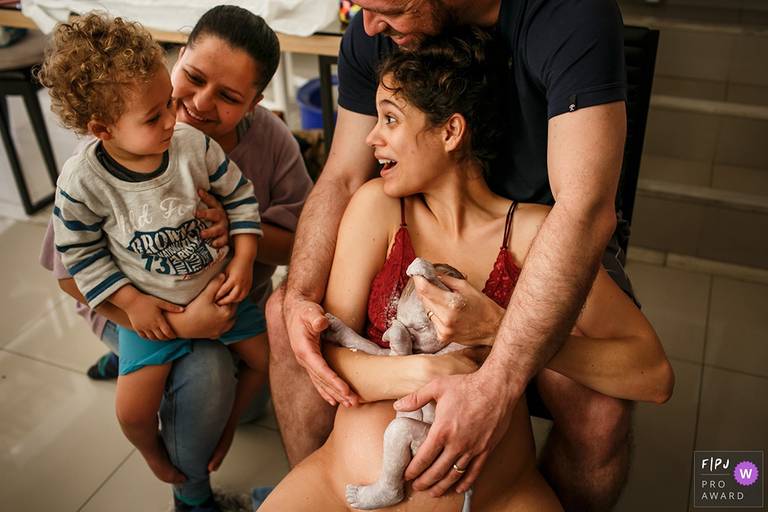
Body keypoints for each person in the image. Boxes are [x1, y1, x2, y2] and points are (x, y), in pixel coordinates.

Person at [260, 28, 672, 511]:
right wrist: (432, 370)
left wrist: (504, 333)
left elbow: (653, 376)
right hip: (338, 486)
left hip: (499, 497)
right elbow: (328, 360)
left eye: (390, 119)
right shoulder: (379, 209)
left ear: (451, 131)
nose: (371, 137)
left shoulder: (531, 235)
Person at [38, 6, 312, 512]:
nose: (195, 107)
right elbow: (71, 273)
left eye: (230, 97)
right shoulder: (105, 152)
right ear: (177, 56)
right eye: (192, 78)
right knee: (193, 380)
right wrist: (172, 322)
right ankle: (190, 492)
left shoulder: (241, 143)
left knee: (248, 405)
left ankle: (206, 427)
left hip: (225, 304)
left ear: (257, 101)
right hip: (138, 313)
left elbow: (301, 239)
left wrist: (236, 237)